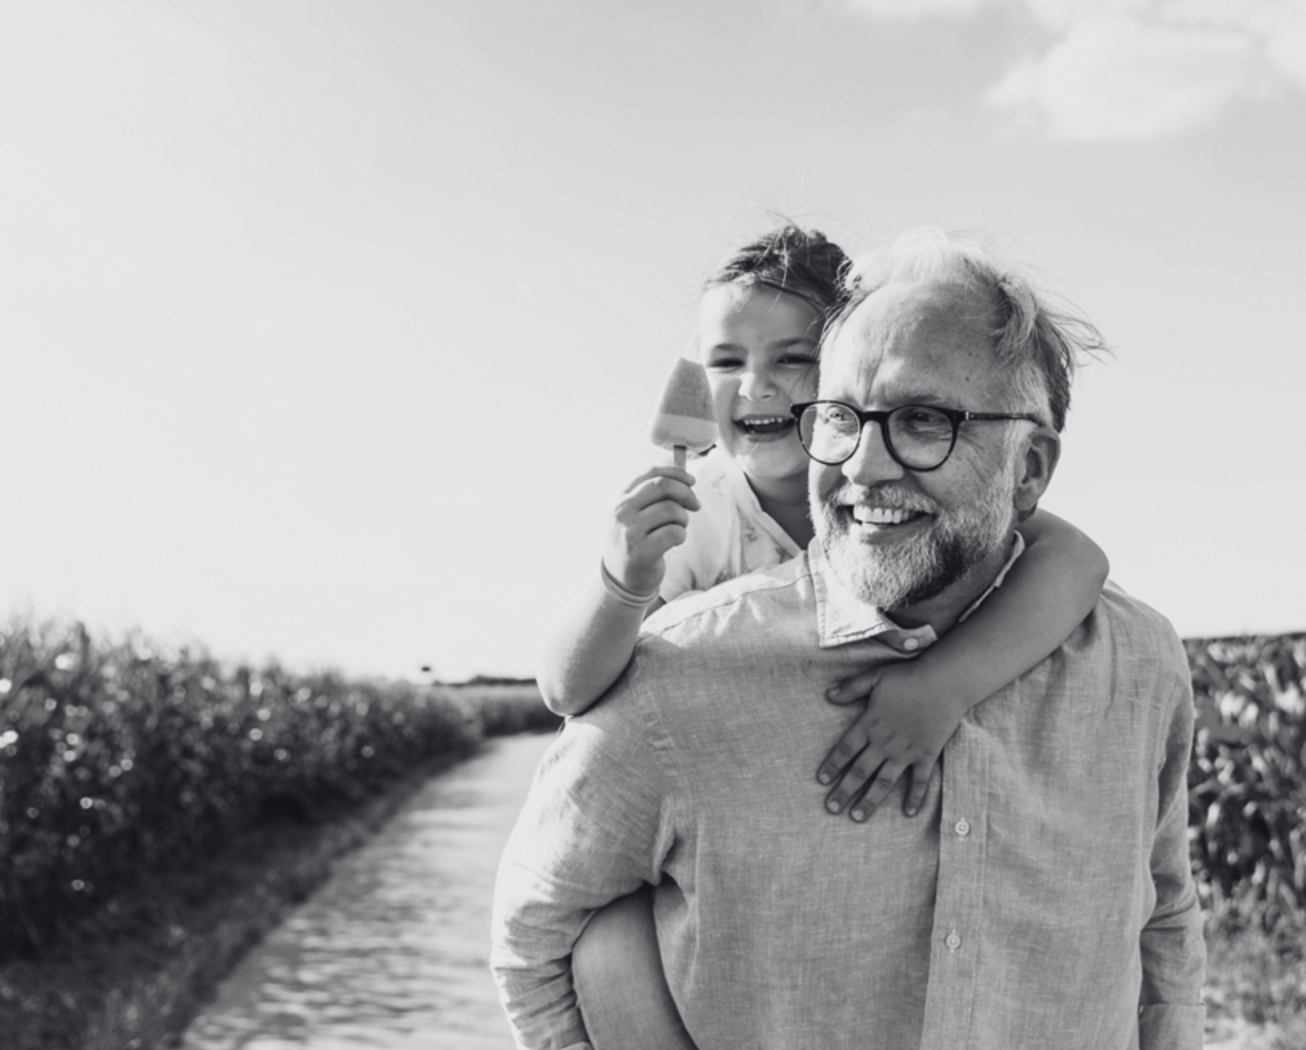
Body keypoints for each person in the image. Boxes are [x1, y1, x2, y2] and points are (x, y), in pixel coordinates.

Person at [494, 229, 1206, 1050]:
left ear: (1030, 469)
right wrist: (622, 580)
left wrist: (942, 685)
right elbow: (538, 927)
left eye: (924, 419)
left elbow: (1163, 920)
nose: (867, 466)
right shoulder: (682, 644)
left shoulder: (1138, 663)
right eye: (844, 417)